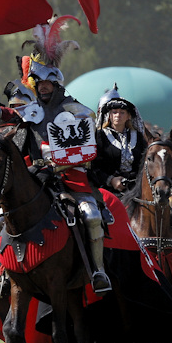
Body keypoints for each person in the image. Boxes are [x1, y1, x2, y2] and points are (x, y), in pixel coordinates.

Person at [17, 15, 111, 294]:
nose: (44, 87)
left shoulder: (75, 110)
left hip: (70, 177)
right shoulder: (29, 110)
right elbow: (6, 116)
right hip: (36, 176)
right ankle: (4, 271)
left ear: (56, 84)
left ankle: (98, 271)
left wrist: (59, 157)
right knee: (2, 214)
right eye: (39, 84)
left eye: (48, 84)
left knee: (91, 215)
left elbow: (87, 142)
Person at [88, 84, 147, 194]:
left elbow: (145, 162)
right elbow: (93, 166)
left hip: (136, 188)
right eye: (114, 112)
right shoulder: (100, 136)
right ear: (109, 115)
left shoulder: (138, 137)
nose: (118, 115)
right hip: (107, 190)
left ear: (128, 116)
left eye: (122, 112)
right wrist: (111, 180)